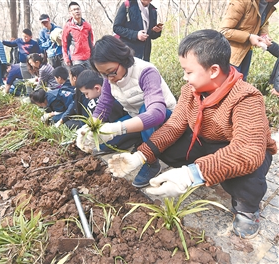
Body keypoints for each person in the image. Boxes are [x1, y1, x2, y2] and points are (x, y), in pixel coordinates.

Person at [107, 29, 277, 239]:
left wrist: (192, 174)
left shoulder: (247, 97)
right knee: (166, 144)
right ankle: (206, 170)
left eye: (188, 72)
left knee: (248, 171)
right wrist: (140, 156)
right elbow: (175, 125)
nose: (184, 77)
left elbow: (248, 151)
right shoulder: (190, 91)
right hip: (205, 141)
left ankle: (247, 208)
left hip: (240, 149)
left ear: (213, 70)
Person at [76, 35, 176, 187]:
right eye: (103, 74)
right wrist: (90, 128)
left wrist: (118, 128)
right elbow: (104, 104)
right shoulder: (109, 78)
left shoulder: (146, 72)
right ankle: (141, 139)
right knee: (102, 145)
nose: (109, 79)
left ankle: (152, 161)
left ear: (122, 59)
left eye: (111, 72)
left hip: (164, 119)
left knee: (145, 110)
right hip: (135, 117)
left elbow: (156, 113)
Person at [73, 70, 142, 151]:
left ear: (97, 88)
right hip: (122, 121)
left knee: (103, 145)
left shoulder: (114, 94)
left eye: (86, 93)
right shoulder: (98, 98)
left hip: (131, 119)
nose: (86, 97)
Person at [219, 0, 278, 81]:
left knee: (241, 86)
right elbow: (224, 31)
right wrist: (249, 37)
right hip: (230, 54)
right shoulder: (242, 2)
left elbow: (263, 22)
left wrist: (264, 35)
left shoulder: (268, 4)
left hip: (246, 52)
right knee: (230, 86)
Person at [62, 2, 94, 68]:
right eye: (74, 10)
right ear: (70, 13)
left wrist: (93, 54)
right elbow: (64, 44)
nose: (77, 11)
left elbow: (91, 41)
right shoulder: (67, 26)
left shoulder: (87, 25)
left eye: (78, 9)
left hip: (88, 57)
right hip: (76, 58)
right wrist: (66, 58)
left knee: (91, 76)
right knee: (80, 77)